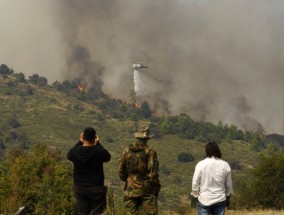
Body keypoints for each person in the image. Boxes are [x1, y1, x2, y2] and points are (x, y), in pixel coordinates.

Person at [67, 127, 111, 215]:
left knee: (82, 213)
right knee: (98, 212)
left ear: (83, 138)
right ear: (94, 138)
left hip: (80, 188)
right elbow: (107, 157)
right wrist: (98, 144)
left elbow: (69, 155)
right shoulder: (98, 151)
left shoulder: (75, 151)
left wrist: (79, 142)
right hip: (96, 188)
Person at [119, 125, 161, 215]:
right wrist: (156, 186)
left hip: (130, 189)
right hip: (146, 189)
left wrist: (128, 180)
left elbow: (121, 171)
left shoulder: (126, 151)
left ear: (137, 137)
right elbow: (153, 173)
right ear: (147, 138)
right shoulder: (150, 152)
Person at [191, 142, 233, 215]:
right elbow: (229, 185)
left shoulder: (200, 164)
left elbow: (195, 183)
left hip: (204, 199)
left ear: (206, 151)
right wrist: (228, 196)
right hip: (220, 199)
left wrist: (196, 194)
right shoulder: (225, 165)